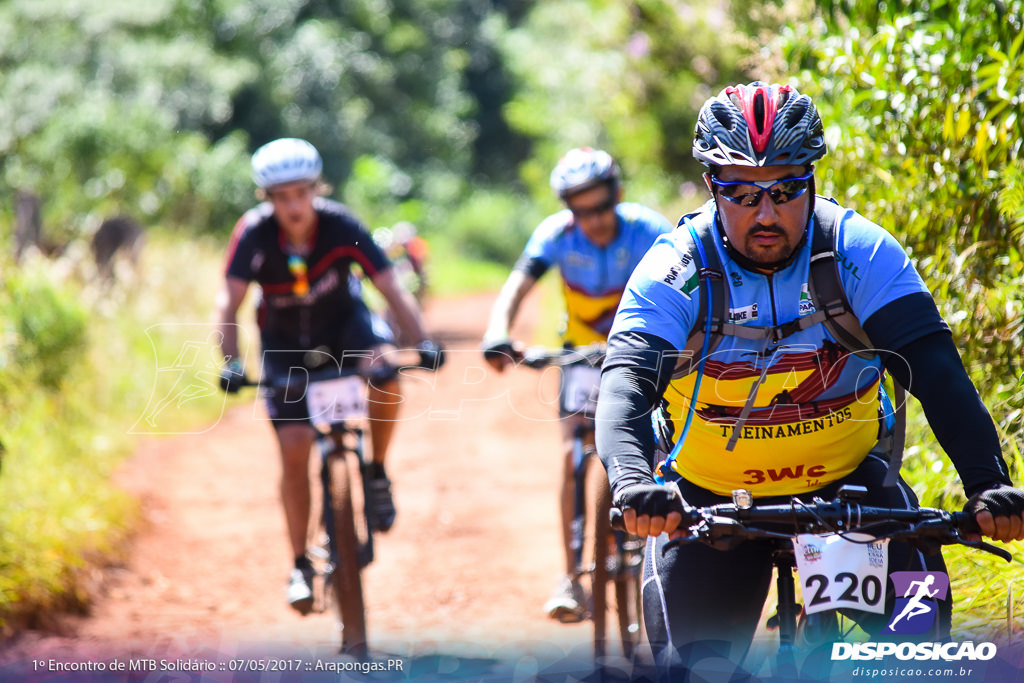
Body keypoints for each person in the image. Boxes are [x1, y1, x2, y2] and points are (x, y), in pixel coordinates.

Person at [595, 82, 1024, 670]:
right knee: (691, 671)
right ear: (712, 190)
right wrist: (632, 483)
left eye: (786, 189)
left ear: (812, 182)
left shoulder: (858, 250)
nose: (765, 213)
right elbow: (625, 385)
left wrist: (985, 483)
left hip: (854, 493)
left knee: (922, 654)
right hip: (711, 504)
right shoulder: (677, 265)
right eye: (742, 193)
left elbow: (936, 370)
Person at [216, 137, 444, 615]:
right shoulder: (253, 235)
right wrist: (232, 363)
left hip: (347, 330)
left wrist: (420, 340)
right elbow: (229, 303)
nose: (293, 206)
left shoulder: (342, 225)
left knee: (385, 373)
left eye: (301, 193)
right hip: (283, 344)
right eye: (281, 197)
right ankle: (300, 563)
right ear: (267, 199)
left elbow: (390, 287)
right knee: (294, 447)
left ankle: (377, 471)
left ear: (316, 190)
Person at [481, 147, 673, 621]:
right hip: (583, 358)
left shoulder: (649, 229)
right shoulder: (556, 235)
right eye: (580, 210)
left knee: (662, 447)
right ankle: (570, 576)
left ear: (617, 195)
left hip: (642, 356)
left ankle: (667, 555)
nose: (593, 219)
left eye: (601, 206)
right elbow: (517, 284)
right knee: (572, 455)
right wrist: (498, 332)